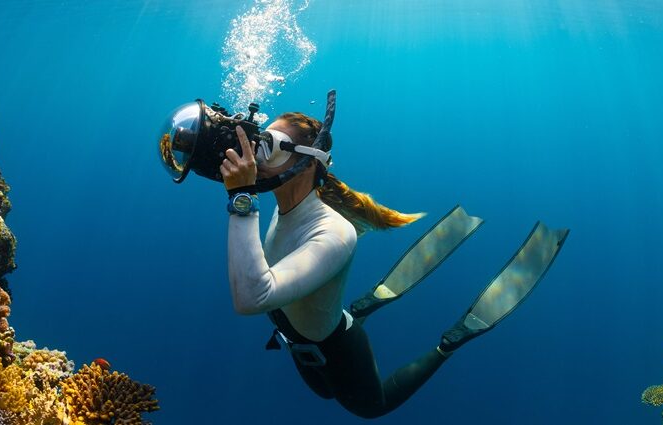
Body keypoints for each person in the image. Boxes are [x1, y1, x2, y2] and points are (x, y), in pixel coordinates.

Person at [220, 112, 567, 418]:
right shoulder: (283, 211)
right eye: (258, 140)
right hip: (298, 338)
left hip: (337, 348)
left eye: (270, 144)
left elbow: (253, 296)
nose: (255, 153)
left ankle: (449, 343)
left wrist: (242, 198)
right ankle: (361, 308)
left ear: (308, 161)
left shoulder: (334, 233)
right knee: (324, 392)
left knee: (372, 407)